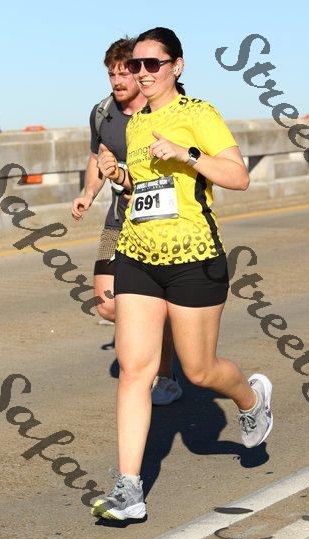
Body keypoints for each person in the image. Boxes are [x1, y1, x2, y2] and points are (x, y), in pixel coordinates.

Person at [92, 27, 273, 521]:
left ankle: (251, 399)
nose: (141, 73)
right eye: (135, 64)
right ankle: (128, 489)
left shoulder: (199, 114)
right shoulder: (135, 124)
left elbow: (238, 176)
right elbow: (144, 187)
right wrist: (118, 175)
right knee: (136, 370)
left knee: (198, 370)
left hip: (194, 257)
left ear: (177, 66)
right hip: (138, 256)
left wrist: (186, 153)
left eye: (152, 64)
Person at [71, 38, 182, 406]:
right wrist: (88, 193)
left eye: (123, 73)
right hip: (118, 218)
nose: (117, 81)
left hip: (159, 220)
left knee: (157, 300)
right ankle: (148, 334)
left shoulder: (163, 109)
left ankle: (164, 374)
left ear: (139, 72)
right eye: (111, 74)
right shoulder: (103, 113)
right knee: (106, 303)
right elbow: (97, 156)